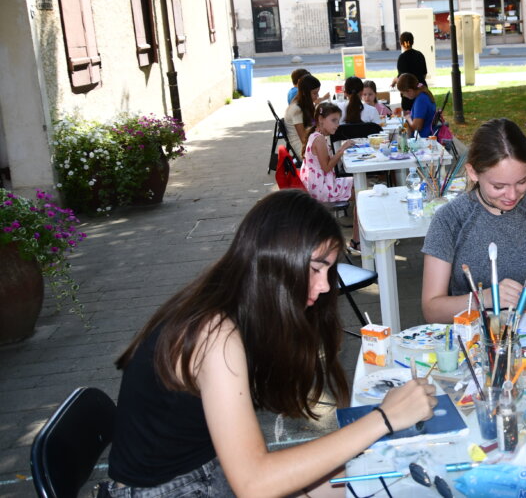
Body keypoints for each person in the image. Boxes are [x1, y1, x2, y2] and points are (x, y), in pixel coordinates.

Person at [103, 190, 436, 497]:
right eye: (315, 268)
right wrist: (384, 418)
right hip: (169, 489)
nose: (323, 287)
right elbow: (254, 483)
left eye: (328, 270)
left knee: (370, 480)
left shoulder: (235, 301)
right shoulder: (213, 334)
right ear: (275, 259)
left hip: (207, 468)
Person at [420, 118, 526, 322]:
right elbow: (432, 309)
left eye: (521, 182)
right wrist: (485, 298)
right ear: (473, 172)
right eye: (499, 186)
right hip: (469, 336)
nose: (511, 195)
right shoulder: (450, 219)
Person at [300, 101, 361, 255]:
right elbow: (327, 167)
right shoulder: (319, 139)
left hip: (320, 184)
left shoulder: (317, 135)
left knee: (360, 186)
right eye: (333, 120)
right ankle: (357, 241)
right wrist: (341, 149)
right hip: (322, 188)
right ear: (321, 120)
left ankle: (357, 240)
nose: (337, 125)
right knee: (362, 194)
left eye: (338, 120)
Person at [285, 74, 321, 162]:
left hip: (308, 142)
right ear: (305, 93)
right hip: (303, 149)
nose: (317, 96)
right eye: (314, 93)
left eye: (318, 92)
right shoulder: (297, 110)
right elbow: (304, 139)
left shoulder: (302, 103)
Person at [392, 31, 428, 113]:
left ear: (401, 43)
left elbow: (402, 79)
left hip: (408, 94)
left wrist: (395, 80)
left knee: (409, 117)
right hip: (421, 89)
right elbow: (424, 74)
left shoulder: (402, 58)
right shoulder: (420, 55)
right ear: (413, 42)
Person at [396, 73, 437, 138]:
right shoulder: (423, 95)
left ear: (410, 91)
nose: (404, 96)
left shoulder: (421, 100)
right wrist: (410, 113)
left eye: (403, 93)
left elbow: (416, 127)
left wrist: (408, 118)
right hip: (426, 135)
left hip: (422, 138)